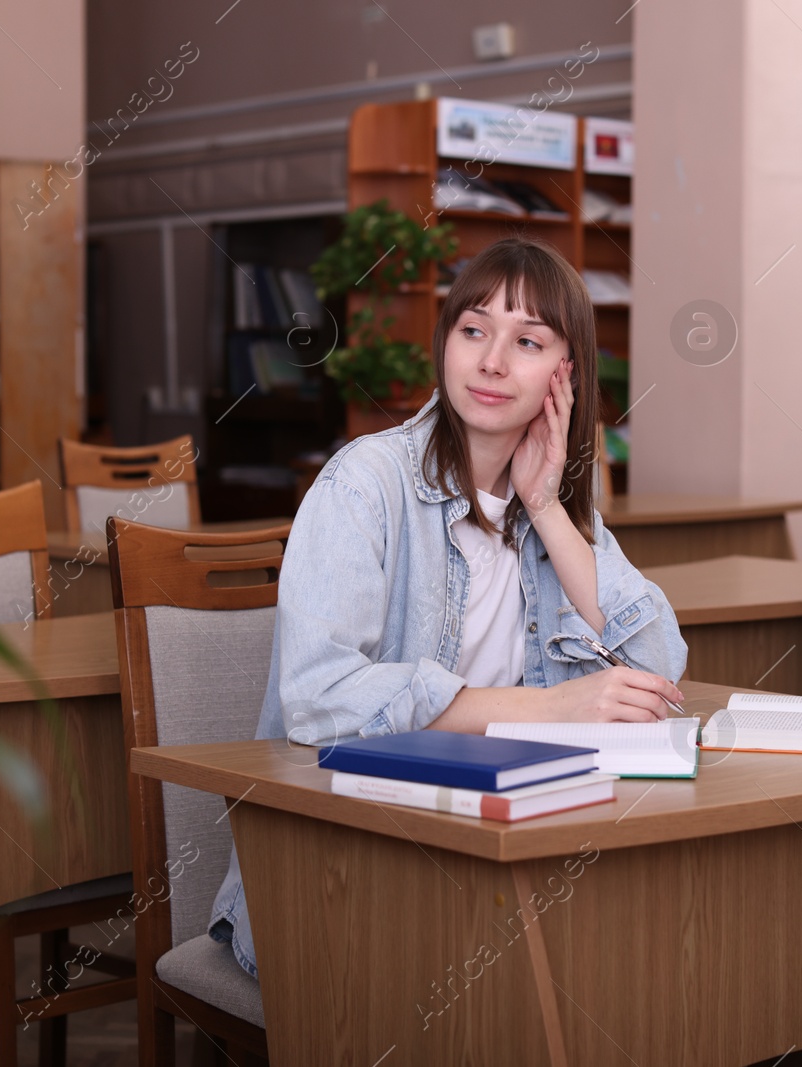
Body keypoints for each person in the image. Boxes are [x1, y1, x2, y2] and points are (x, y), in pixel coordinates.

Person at [210, 236, 689, 976]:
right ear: (446, 344)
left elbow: (657, 665)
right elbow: (319, 695)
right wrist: (554, 707)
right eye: (473, 330)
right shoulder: (363, 484)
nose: (492, 360)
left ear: (565, 375)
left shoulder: (550, 511)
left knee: (635, 954)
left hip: (488, 853)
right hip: (333, 870)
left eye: (527, 340)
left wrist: (549, 508)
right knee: (546, 982)